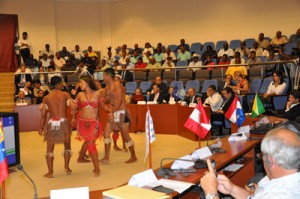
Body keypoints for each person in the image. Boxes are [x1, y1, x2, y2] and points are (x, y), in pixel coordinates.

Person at [200, 121, 300, 199]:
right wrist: (232, 189)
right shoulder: (285, 178)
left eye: (262, 156)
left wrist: (211, 193)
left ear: (270, 160)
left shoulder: (282, 195)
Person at [38, 76, 75, 178]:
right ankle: (66, 167)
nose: (63, 84)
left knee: (49, 149)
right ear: (58, 84)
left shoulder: (46, 97)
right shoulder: (65, 94)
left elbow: (43, 115)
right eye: (61, 82)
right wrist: (74, 116)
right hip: (63, 122)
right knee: (67, 146)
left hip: (52, 123)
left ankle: (50, 172)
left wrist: (40, 127)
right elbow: (73, 107)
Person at [99, 68, 137, 164]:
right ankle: (106, 157)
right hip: (114, 112)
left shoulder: (117, 85)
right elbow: (109, 100)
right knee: (106, 134)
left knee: (126, 135)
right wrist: (103, 98)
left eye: (104, 75)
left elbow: (119, 101)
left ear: (108, 76)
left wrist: (112, 112)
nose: (103, 77)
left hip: (121, 113)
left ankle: (133, 156)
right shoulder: (107, 87)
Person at [74, 76, 107, 177]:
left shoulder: (98, 94)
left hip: (94, 122)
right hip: (83, 122)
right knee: (88, 141)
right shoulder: (79, 94)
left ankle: (96, 168)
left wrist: (111, 111)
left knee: (91, 143)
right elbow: (75, 107)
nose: (80, 84)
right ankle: (80, 158)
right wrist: (70, 104)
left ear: (87, 83)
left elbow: (103, 106)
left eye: (81, 82)